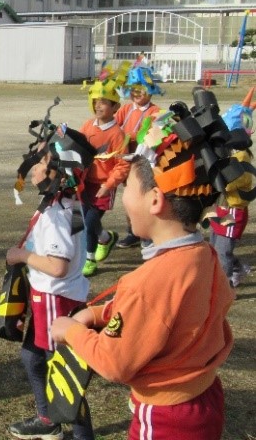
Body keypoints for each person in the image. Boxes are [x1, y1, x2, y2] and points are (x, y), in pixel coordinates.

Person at [51, 89, 238, 440]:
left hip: (167, 415)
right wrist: (101, 313)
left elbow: (115, 362)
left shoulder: (149, 281)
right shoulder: (205, 255)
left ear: (155, 200)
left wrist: (70, 330)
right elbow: (170, 310)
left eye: (128, 190)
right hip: (205, 396)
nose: (123, 199)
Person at [6, 123, 97, 440]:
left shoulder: (59, 213)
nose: (32, 166)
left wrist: (21, 257)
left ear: (59, 172)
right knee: (31, 356)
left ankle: (81, 435)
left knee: (66, 377)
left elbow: (57, 267)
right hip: (48, 301)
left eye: (41, 161)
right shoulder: (56, 206)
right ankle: (48, 420)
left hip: (58, 303)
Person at [79, 65, 130, 276]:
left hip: (103, 185)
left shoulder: (117, 134)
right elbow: (78, 149)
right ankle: (106, 239)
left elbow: (123, 164)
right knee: (85, 221)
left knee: (90, 222)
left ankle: (89, 259)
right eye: (96, 102)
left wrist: (108, 186)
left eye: (104, 103)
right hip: (84, 183)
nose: (99, 106)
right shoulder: (87, 126)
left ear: (115, 106)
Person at [209, 88, 256, 288]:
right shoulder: (228, 153)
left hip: (233, 211)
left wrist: (219, 180)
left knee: (222, 250)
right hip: (221, 208)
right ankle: (237, 268)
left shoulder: (242, 157)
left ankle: (224, 286)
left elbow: (237, 180)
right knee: (214, 246)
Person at [115, 64, 163, 249]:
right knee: (129, 197)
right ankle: (132, 231)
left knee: (145, 197)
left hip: (145, 162)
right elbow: (114, 126)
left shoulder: (155, 111)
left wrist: (130, 136)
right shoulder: (125, 110)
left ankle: (148, 233)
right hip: (126, 160)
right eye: (133, 89)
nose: (137, 93)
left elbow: (153, 134)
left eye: (141, 89)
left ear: (150, 90)